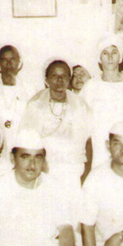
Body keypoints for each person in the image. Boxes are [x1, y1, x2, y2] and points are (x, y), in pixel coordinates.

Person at [20, 60, 93, 188]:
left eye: (64, 75)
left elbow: (88, 142)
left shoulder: (80, 105)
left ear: (69, 79)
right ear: (46, 79)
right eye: (54, 75)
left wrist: (86, 174)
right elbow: (27, 142)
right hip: (44, 172)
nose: (59, 80)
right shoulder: (35, 104)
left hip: (73, 171)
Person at [79, 33, 123, 169]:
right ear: (99, 58)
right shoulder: (90, 87)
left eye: (114, 52)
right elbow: (82, 124)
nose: (109, 57)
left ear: (120, 57)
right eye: (105, 53)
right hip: (99, 147)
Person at [0, 45, 35, 139]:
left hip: (21, 141)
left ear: (19, 61)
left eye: (13, 59)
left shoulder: (30, 90)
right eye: (4, 60)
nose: (9, 64)